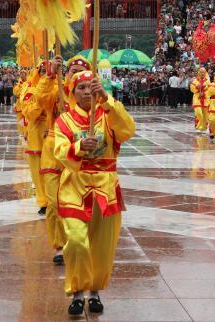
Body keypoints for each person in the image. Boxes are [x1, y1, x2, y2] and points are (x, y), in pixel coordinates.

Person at [54, 70, 136, 316]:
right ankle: (77, 292)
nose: (87, 92)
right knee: (77, 242)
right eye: (81, 88)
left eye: (91, 87)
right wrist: (78, 147)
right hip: (74, 186)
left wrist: (108, 101)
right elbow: (59, 151)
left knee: (102, 245)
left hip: (106, 187)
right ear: (72, 92)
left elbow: (128, 130)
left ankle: (94, 292)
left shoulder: (108, 115)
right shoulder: (64, 121)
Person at [38, 56, 89, 266]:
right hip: (53, 150)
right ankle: (59, 245)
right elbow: (40, 101)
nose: (74, 74)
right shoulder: (56, 92)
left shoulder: (89, 96)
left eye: (79, 71)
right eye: (71, 70)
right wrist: (50, 75)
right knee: (53, 203)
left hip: (79, 152)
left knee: (78, 200)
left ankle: (77, 240)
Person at [21, 62, 50, 215]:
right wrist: (41, 102)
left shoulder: (60, 88)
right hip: (36, 139)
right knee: (38, 174)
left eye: (49, 71)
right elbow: (29, 113)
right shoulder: (30, 91)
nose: (46, 74)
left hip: (55, 137)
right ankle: (43, 202)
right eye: (43, 71)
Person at [190, 67, 209, 134]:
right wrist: (197, 89)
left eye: (203, 72)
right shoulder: (195, 81)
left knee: (205, 115)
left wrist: (204, 90)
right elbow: (192, 89)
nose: (202, 73)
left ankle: (204, 127)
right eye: (201, 72)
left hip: (205, 99)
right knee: (198, 113)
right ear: (198, 73)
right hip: (197, 98)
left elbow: (209, 89)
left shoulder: (207, 81)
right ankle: (199, 125)